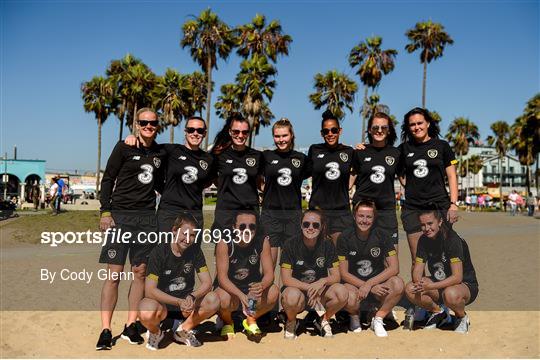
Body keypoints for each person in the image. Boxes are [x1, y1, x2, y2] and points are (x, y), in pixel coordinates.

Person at [96, 108, 167, 350]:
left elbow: (162, 183)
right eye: (144, 122)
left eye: (153, 123)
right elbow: (108, 179)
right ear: (137, 124)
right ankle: (106, 329)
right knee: (113, 275)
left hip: (146, 220)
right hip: (120, 218)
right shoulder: (124, 147)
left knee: (140, 273)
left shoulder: (159, 152)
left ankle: (130, 325)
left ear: (158, 125)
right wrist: (106, 211)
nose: (149, 126)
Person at [138, 214, 220, 349]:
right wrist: (178, 301)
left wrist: (192, 296)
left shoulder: (195, 251)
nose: (188, 239)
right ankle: (156, 332)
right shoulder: (159, 252)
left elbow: (207, 283)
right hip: (163, 307)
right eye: (184, 234)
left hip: (186, 307)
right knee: (145, 310)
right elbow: (150, 290)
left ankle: (183, 330)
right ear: (174, 231)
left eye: (192, 235)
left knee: (213, 299)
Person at [125, 116, 214, 234]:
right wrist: (133, 137)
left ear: (205, 133)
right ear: (186, 132)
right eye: (191, 130)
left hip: (194, 213)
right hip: (169, 213)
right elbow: (147, 145)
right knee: (165, 250)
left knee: (191, 251)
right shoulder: (171, 150)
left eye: (200, 130)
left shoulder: (209, 159)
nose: (195, 133)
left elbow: (208, 181)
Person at [398, 107, 459, 264]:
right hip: (412, 208)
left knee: (444, 256)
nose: (416, 127)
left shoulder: (442, 146)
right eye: (412, 124)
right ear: (408, 127)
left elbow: (452, 176)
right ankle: (422, 288)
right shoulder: (403, 149)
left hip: (439, 205)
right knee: (417, 260)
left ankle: (445, 288)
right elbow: (395, 170)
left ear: (428, 123)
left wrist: (453, 204)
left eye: (420, 123)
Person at [404, 209, 479, 334]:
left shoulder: (452, 239)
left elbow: (457, 277)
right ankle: (438, 312)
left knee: (450, 294)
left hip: (465, 285)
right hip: (439, 283)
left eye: (430, 223)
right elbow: (418, 268)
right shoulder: (423, 240)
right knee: (410, 288)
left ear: (440, 222)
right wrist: (419, 283)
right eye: (422, 225)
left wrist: (430, 286)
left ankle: (461, 317)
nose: (426, 228)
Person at [337, 200, 404, 337]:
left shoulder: (382, 235)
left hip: (376, 285)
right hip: (354, 285)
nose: (364, 220)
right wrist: (365, 285)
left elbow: (394, 267)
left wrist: (370, 284)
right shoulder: (344, 237)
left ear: (374, 218)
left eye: (369, 217)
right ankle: (354, 316)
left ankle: (378, 318)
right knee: (347, 295)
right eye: (361, 216)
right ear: (354, 216)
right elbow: (343, 273)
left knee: (398, 284)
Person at [280, 210, 348, 339]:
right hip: (298, 291)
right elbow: (286, 279)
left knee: (342, 292)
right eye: (306, 224)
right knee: (291, 296)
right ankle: (292, 321)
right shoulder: (290, 244)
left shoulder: (328, 244)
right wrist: (311, 289)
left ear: (322, 227)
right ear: (301, 225)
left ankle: (323, 320)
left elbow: (336, 276)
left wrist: (321, 283)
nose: (310, 228)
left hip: (319, 292)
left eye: (315, 225)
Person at [214, 210, 279, 339]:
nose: (247, 230)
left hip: (250, 289)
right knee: (222, 298)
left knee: (273, 292)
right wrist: (241, 295)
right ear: (234, 227)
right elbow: (222, 279)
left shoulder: (262, 241)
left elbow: (269, 274)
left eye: (252, 226)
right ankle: (228, 321)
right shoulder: (225, 242)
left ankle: (250, 319)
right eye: (242, 226)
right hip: (230, 289)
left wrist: (261, 285)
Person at [260, 118, 308, 266]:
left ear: (291, 135)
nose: (281, 140)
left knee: (289, 266)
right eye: (277, 136)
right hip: (270, 216)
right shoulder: (266, 156)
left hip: (293, 216)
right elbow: (254, 175)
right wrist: (263, 189)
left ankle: (288, 290)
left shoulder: (301, 159)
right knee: (269, 266)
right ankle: (269, 290)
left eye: (284, 135)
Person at [351, 112, 401, 250]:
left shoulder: (396, 153)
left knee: (391, 259)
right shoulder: (359, 151)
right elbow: (349, 181)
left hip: (386, 211)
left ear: (389, 130)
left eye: (384, 127)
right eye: (375, 127)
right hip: (362, 208)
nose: (379, 131)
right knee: (360, 255)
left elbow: (406, 181)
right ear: (369, 130)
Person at [305, 110, 354, 244]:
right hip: (317, 211)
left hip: (341, 213)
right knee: (317, 259)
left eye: (334, 130)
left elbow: (358, 170)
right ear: (322, 133)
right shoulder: (314, 150)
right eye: (326, 131)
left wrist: (364, 147)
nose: (330, 134)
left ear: (340, 131)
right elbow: (302, 172)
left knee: (340, 258)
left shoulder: (349, 152)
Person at [211, 113, 262, 233]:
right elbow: (212, 179)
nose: (240, 135)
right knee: (223, 250)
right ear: (229, 132)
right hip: (225, 214)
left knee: (250, 251)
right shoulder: (219, 156)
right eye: (236, 132)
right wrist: (227, 187)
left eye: (244, 132)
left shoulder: (257, 156)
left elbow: (260, 182)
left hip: (250, 214)